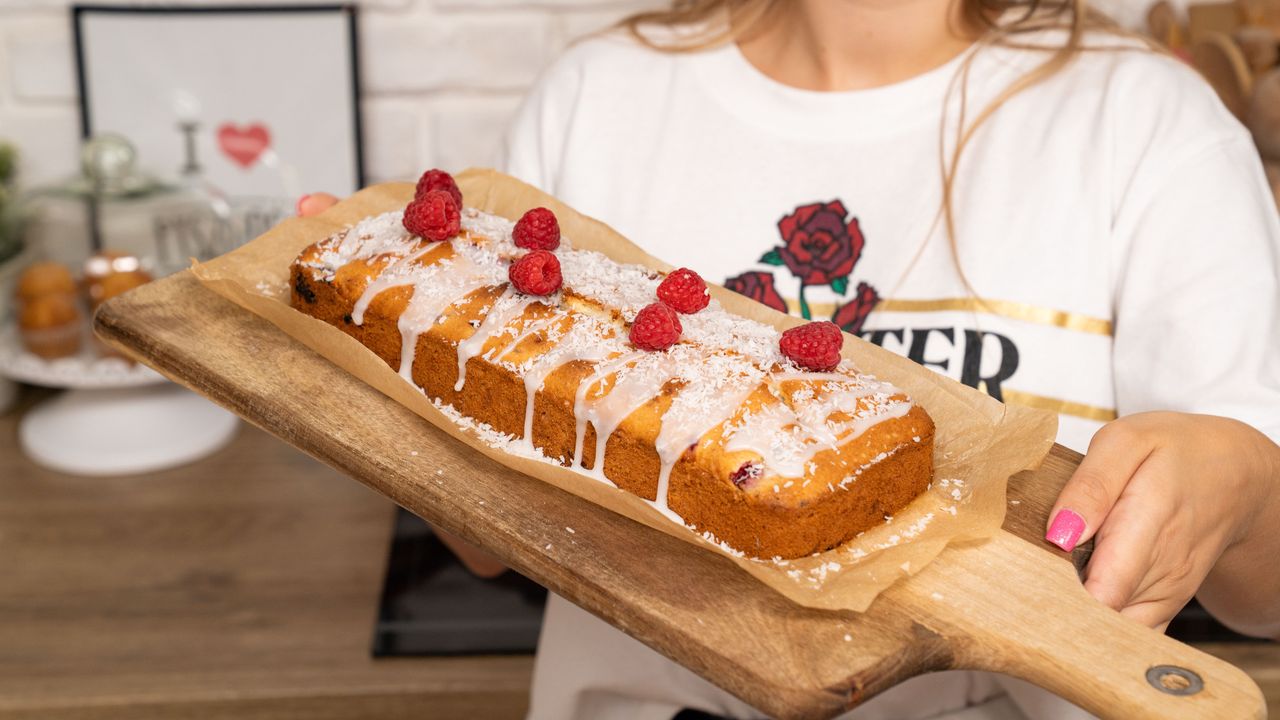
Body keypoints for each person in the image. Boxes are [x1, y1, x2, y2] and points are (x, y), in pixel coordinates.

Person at [300, 0, 1280, 716]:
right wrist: (365, 371)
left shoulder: (1143, 120)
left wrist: (1232, 477)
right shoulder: (596, 95)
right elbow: (488, 537)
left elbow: (1261, 598)